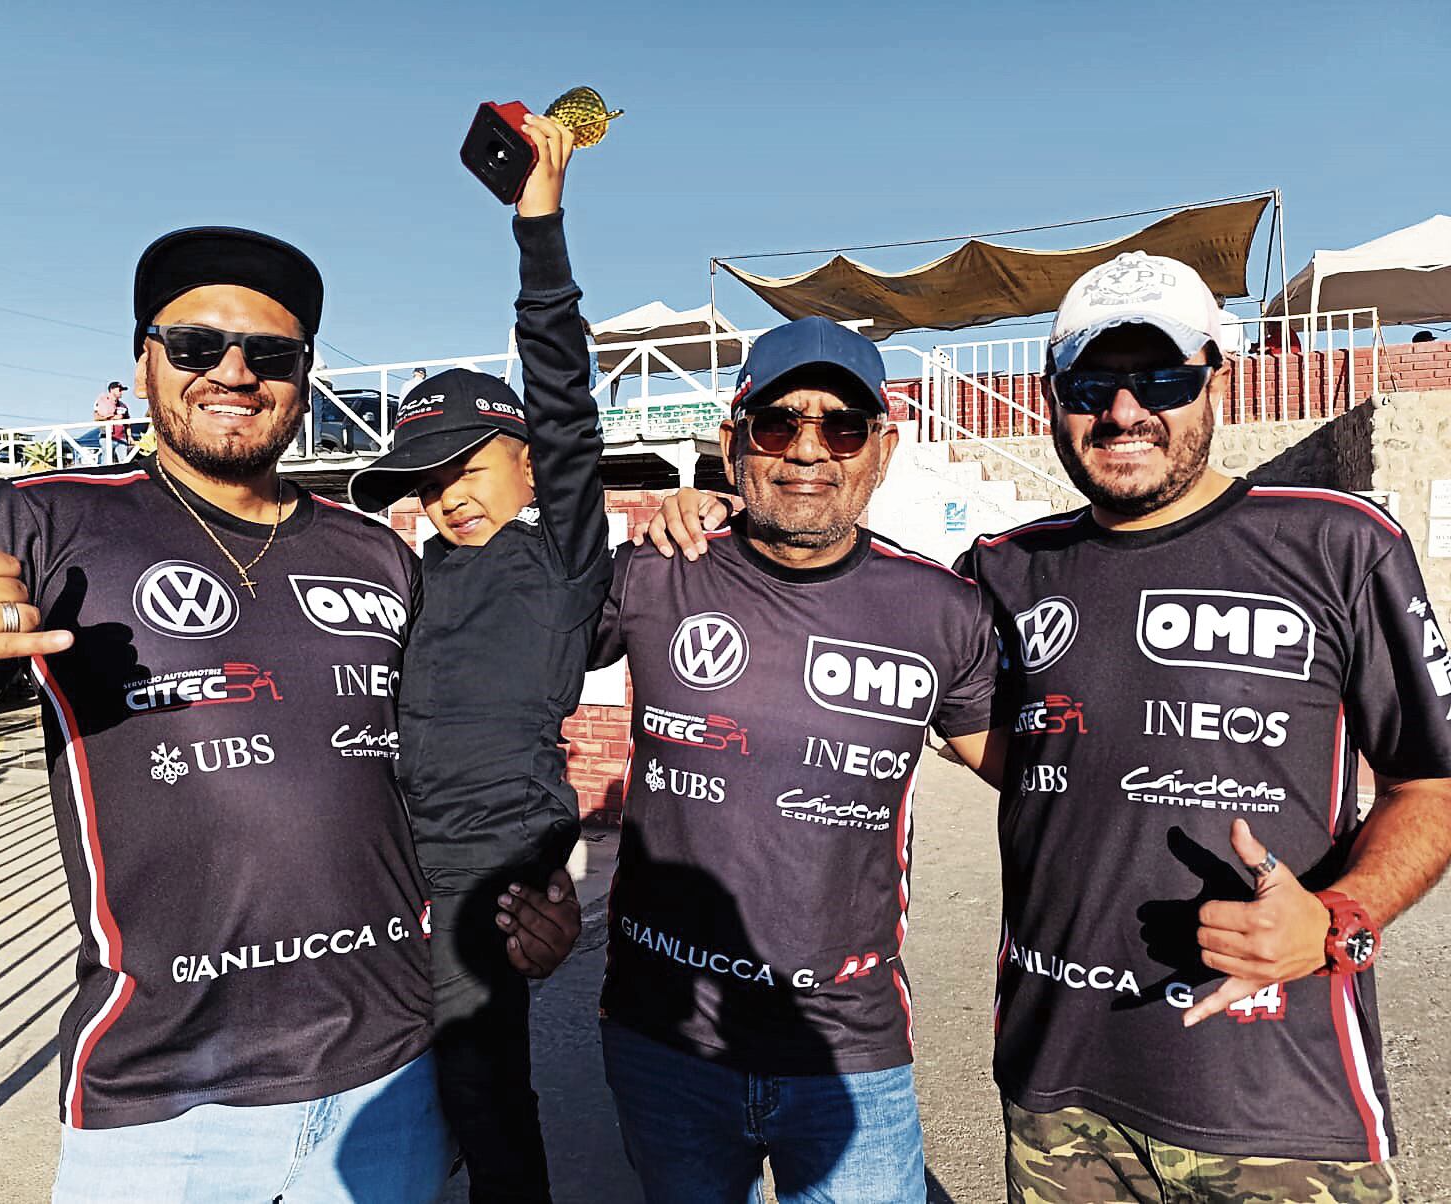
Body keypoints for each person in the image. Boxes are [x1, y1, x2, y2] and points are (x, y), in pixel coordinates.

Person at [651, 253, 1451, 1202]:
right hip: (1056, 1092)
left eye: (1161, 377)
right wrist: (720, 513)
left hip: (1280, 1100)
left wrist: (1336, 919)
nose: (1123, 412)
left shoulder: (1339, 542)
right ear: (1053, 393)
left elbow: (1431, 783)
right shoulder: (999, 570)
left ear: (1216, 380)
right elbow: (862, 604)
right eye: (1092, 383)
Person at [0, 224, 578, 1204]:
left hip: (386, 1088)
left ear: (304, 374)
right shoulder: (49, 521)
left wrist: (528, 894)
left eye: (269, 353)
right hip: (165, 1108)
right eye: (196, 344)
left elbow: (443, 770)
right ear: (142, 359)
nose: (232, 372)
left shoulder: (380, 556)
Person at [588, 315, 1005, 1204]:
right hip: (666, 1039)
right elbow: (508, 661)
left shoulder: (941, 608)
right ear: (737, 442)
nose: (809, 449)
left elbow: (1034, 773)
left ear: (881, 451)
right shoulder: (661, 569)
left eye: (843, 426)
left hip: (845, 1047)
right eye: (779, 423)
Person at [346, 114, 607, 1204]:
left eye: (466, 463)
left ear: (526, 462)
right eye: (422, 476)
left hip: (485, 886)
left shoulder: (562, 559)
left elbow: (562, 394)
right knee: (382, 1097)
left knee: (485, 1097)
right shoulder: (405, 577)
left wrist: (537, 229)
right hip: (369, 870)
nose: (445, 491)